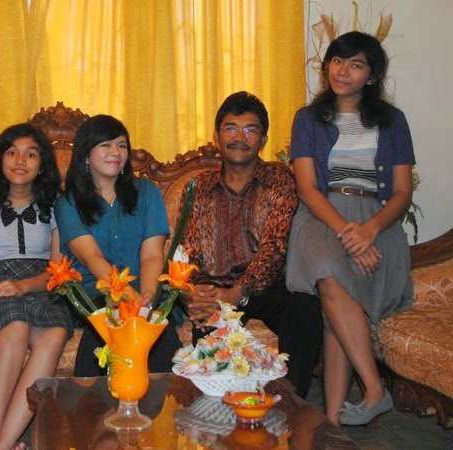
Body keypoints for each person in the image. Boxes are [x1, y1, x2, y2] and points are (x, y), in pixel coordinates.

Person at [286, 31, 414, 425]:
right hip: (322, 216)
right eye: (338, 61)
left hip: (376, 220)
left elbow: (402, 193)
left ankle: (332, 423)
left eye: (356, 64)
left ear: (371, 76)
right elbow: (307, 188)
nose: (343, 71)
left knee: (337, 312)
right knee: (328, 276)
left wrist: (369, 230)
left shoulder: (392, 122)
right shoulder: (307, 119)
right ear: (327, 66)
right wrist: (348, 233)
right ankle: (375, 389)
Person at [181, 91, 323, 398]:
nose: (239, 138)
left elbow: (275, 247)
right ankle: (216, 405)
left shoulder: (280, 180)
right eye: (231, 128)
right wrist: (195, 292)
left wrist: (238, 292)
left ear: (263, 139)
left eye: (250, 129)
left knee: (306, 307)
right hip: (214, 286)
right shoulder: (198, 187)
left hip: (265, 287)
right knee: (207, 323)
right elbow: (188, 251)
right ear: (217, 136)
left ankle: (290, 403)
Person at [54, 114, 181, 376]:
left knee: (159, 334)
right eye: (106, 145)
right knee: (106, 326)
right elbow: (92, 258)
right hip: (95, 293)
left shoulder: (146, 192)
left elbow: (151, 255)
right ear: (86, 154)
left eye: (122, 145)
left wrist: (146, 297)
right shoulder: (68, 201)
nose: (116, 152)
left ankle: (170, 397)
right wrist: (129, 299)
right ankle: (94, 398)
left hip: (144, 289)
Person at [0, 123, 71, 450]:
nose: (20, 161)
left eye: (31, 154)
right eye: (12, 152)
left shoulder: (56, 204)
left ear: (42, 164)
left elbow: (57, 270)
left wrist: (24, 286)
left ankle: (1, 443)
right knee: (15, 327)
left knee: (55, 333)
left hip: (41, 283)